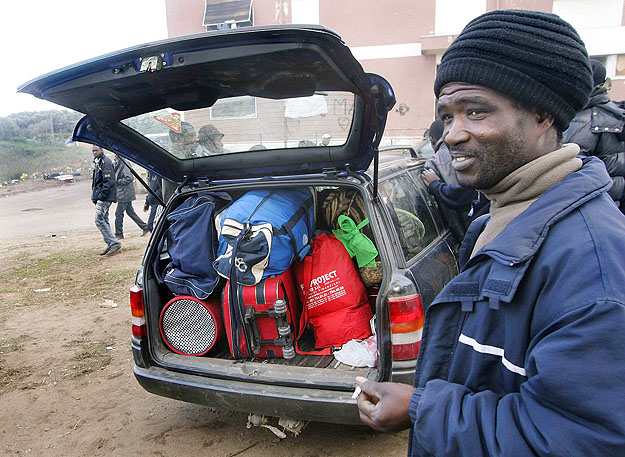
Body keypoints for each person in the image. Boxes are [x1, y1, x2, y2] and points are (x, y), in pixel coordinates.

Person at [356, 10, 625, 456]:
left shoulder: (591, 268)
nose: (452, 135)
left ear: (543, 115)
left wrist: (423, 408)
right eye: (446, 115)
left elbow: (582, 439)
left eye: (476, 112)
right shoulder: (500, 217)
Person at [564, 59, 625, 213]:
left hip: (587, 207)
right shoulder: (617, 113)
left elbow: (566, 169)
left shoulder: (583, 120)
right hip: (612, 207)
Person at [91, 145, 121, 256]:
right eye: (93, 151)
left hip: (105, 197)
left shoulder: (105, 162)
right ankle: (110, 243)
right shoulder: (98, 162)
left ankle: (113, 242)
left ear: (101, 150)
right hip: (101, 196)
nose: (94, 152)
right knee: (104, 219)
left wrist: (101, 195)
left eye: (96, 150)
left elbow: (108, 181)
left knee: (98, 219)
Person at [113, 156, 149, 239]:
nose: (114, 154)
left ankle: (119, 234)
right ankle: (144, 227)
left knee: (118, 214)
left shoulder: (124, 163)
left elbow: (129, 177)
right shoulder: (118, 163)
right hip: (123, 192)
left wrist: (118, 181)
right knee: (130, 212)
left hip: (125, 193)